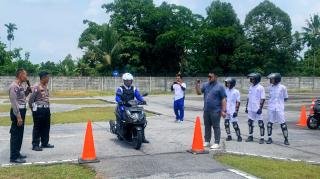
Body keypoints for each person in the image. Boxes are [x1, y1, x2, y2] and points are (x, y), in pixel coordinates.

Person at [196, 72, 227, 149]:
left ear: (216, 77)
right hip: (206, 110)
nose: (209, 78)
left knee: (216, 126)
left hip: (216, 110)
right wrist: (197, 85)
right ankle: (207, 141)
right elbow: (199, 93)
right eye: (208, 76)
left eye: (211, 76)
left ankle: (217, 142)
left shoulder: (220, 87)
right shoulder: (206, 85)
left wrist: (223, 110)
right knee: (207, 126)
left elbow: (223, 99)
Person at [115, 73, 149, 143]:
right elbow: (117, 97)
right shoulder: (120, 88)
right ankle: (125, 134)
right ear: (124, 81)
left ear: (132, 81)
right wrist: (120, 101)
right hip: (124, 106)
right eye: (127, 81)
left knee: (141, 119)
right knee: (125, 120)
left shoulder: (134, 88)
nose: (128, 82)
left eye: (130, 81)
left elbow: (138, 96)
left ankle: (142, 137)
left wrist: (142, 100)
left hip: (132, 106)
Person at [8, 68, 32, 163]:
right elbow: (14, 103)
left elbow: (22, 98)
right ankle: (13, 157)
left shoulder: (20, 86)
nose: (26, 77)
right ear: (20, 75)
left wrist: (27, 91)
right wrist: (18, 117)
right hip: (17, 112)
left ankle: (17, 153)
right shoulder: (13, 86)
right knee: (16, 135)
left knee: (20, 134)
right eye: (25, 75)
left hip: (22, 110)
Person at [29, 71, 54, 151]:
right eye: (47, 77)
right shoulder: (36, 87)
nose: (48, 78)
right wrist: (32, 109)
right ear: (43, 78)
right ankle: (35, 144)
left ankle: (45, 143)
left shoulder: (46, 86)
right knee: (37, 127)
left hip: (46, 109)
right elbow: (31, 100)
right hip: (39, 109)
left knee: (46, 126)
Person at [266, 73, 289, 145]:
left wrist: (280, 103)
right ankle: (269, 138)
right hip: (271, 108)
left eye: (272, 79)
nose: (270, 80)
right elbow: (269, 97)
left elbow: (285, 98)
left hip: (279, 108)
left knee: (283, 123)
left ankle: (286, 139)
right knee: (270, 123)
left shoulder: (283, 87)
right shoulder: (270, 87)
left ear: (277, 79)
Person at [245, 73, 266, 144]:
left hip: (257, 109)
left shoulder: (260, 88)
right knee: (250, 122)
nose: (251, 80)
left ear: (256, 79)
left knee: (260, 123)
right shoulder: (251, 87)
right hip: (250, 108)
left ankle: (262, 138)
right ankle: (250, 136)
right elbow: (248, 98)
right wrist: (246, 107)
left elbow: (263, 99)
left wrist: (260, 108)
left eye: (252, 78)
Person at [224, 77, 242, 142]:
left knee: (234, 124)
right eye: (227, 83)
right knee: (226, 123)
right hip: (227, 110)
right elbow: (224, 100)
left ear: (232, 84)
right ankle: (229, 136)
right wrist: (224, 109)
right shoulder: (226, 90)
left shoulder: (236, 92)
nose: (228, 84)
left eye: (229, 83)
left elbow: (238, 102)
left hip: (233, 110)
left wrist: (236, 111)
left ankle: (239, 136)